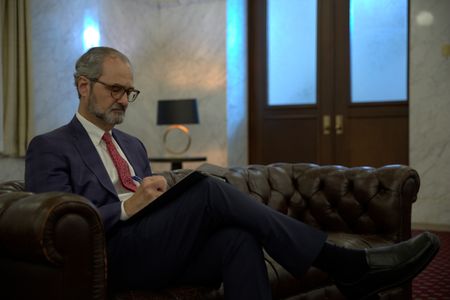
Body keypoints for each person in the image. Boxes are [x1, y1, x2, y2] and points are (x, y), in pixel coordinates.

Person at [25, 47, 440, 300]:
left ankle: (346, 266)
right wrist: (129, 206)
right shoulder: (50, 146)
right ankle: (343, 263)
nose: (123, 100)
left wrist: (152, 203)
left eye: (128, 92)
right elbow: (56, 229)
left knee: (237, 239)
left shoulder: (132, 145)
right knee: (205, 187)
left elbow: (156, 219)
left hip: (155, 250)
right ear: (82, 85)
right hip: (111, 256)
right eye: (114, 89)